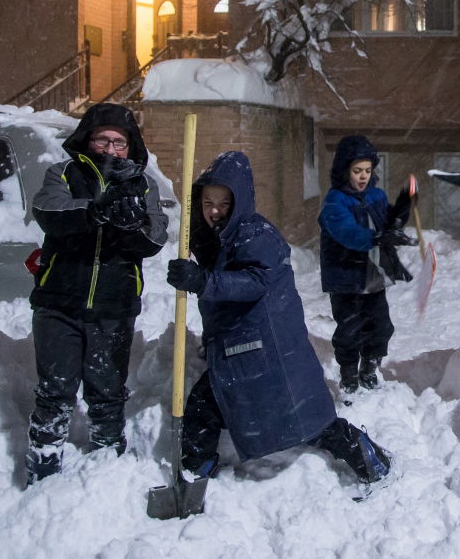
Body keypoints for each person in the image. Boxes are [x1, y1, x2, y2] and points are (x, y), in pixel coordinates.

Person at [166, 151, 392, 489]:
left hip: (265, 350)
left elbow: (256, 281)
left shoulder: (256, 234)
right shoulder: (221, 236)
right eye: (208, 202)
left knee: (305, 419)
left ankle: (368, 458)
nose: (214, 210)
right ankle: (197, 473)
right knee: (219, 408)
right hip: (242, 347)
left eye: (224, 203)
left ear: (239, 202)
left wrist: (202, 281)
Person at [24, 103, 169, 485]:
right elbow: (48, 210)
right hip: (58, 302)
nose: (110, 148)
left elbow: (155, 237)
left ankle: (106, 472)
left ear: (130, 145)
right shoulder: (64, 173)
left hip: (114, 306)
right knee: (55, 392)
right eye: (102, 139)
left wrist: (133, 223)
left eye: (119, 142)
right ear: (87, 140)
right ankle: (42, 470)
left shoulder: (144, 184)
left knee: (107, 392)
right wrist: (94, 211)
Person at [318, 135, 413, 396]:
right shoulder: (335, 202)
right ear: (344, 170)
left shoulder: (376, 196)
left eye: (368, 170)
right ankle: (349, 373)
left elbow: (388, 222)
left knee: (381, 326)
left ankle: (370, 367)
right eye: (357, 170)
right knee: (349, 330)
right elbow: (347, 233)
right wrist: (377, 238)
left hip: (372, 277)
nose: (363, 176)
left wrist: (403, 206)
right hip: (346, 278)